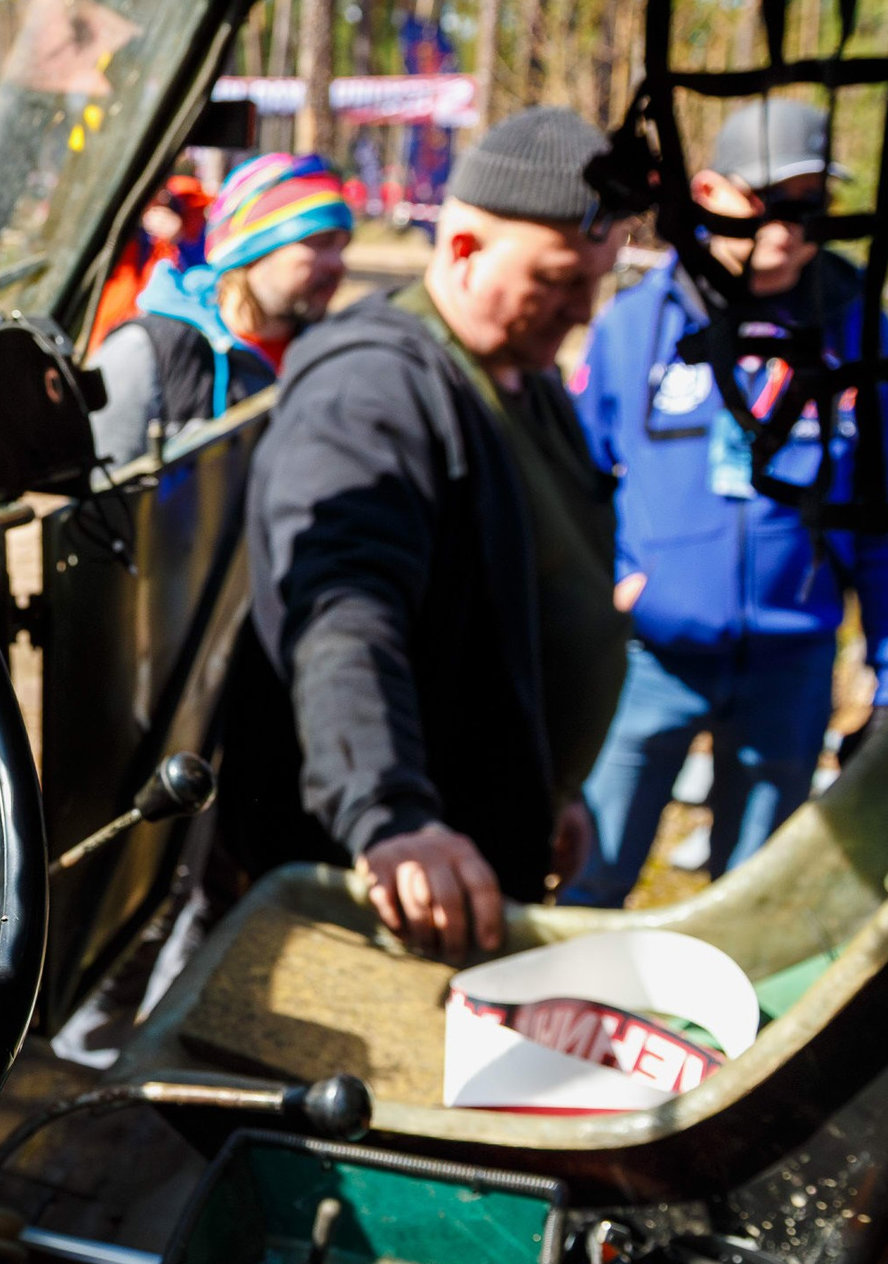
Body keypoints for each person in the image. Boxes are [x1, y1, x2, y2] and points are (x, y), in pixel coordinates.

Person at [221, 107, 627, 960]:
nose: (583, 308)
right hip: (384, 890)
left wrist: (553, 785)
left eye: (598, 275)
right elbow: (339, 602)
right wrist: (388, 813)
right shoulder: (370, 387)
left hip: (479, 853)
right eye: (557, 278)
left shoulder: (523, 377)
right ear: (466, 247)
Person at [559, 99, 888, 907]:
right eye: (765, 201)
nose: (787, 230)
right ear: (709, 191)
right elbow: (578, 481)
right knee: (594, 867)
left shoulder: (857, 331)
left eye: (810, 205)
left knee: (751, 892)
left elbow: (886, 505)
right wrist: (610, 585)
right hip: (650, 658)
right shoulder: (636, 325)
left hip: (792, 666)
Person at [88, 153, 351, 466]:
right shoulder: (149, 353)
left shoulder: (333, 358)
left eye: (341, 246)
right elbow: (101, 507)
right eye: (317, 243)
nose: (338, 264)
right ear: (250, 250)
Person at [84, 174, 212, 353]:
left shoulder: (193, 210)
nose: (159, 199)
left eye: (160, 190)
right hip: (123, 342)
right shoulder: (112, 237)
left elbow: (210, 279)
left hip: (179, 339)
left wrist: (181, 239)